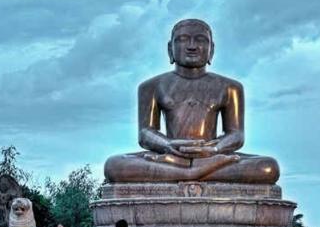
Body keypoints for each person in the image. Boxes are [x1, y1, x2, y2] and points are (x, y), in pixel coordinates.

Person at [104, 19, 280, 184]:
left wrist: (214, 149)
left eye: (200, 40)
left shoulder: (230, 87)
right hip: (170, 156)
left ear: (211, 49)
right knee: (114, 165)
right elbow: (145, 133)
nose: (192, 46)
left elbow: (236, 135)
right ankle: (191, 173)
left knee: (267, 167)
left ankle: (185, 172)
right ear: (170, 49)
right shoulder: (152, 86)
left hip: (210, 155)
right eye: (183, 40)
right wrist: (168, 145)